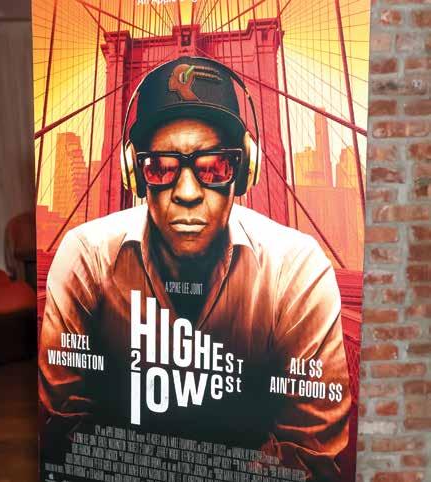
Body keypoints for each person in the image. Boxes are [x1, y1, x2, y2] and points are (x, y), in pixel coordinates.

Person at [39, 57, 351, 481]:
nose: (187, 192)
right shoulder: (86, 258)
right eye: (160, 167)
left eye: (214, 166)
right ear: (135, 174)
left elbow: (309, 459)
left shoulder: (296, 270)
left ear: (245, 171)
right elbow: (63, 437)